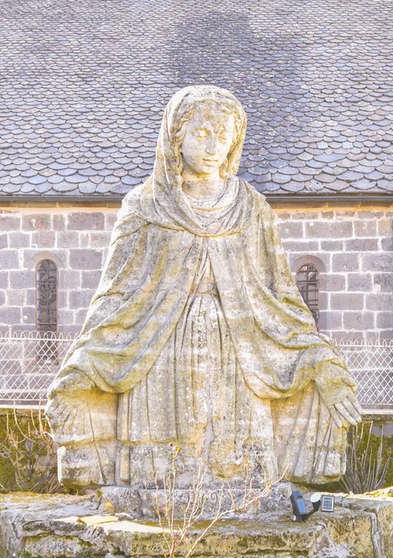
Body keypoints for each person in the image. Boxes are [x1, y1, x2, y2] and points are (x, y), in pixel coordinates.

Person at [45, 85, 360, 489]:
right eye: (200, 134)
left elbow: (279, 294)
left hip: (238, 348)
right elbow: (118, 292)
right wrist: (90, 355)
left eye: (223, 135)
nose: (213, 146)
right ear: (177, 137)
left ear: (235, 142)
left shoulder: (251, 208)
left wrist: (317, 357)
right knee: (163, 473)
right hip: (159, 347)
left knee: (240, 467)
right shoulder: (144, 206)